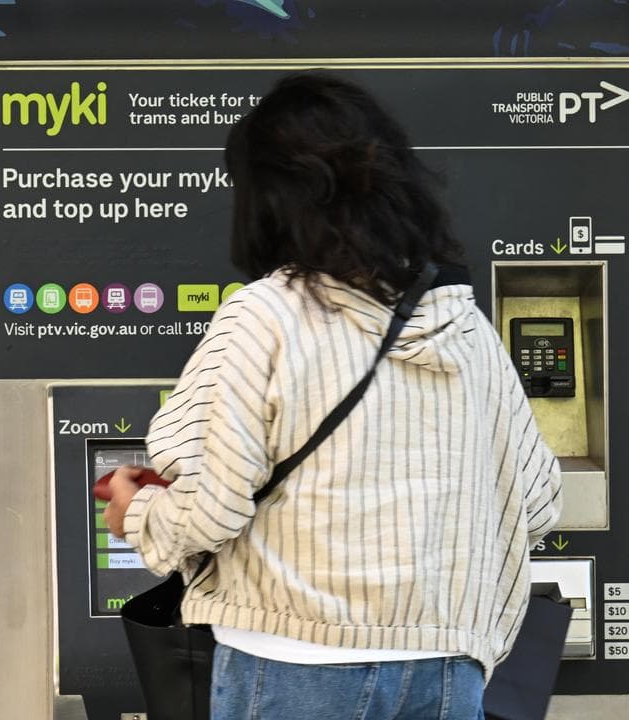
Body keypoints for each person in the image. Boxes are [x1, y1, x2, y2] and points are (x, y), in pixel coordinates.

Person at [103, 73, 561, 720]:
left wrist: (139, 512)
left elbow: (212, 504)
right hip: (443, 670)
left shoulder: (263, 317)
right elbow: (538, 498)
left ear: (270, 201)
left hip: (291, 663)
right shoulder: (465, 332)